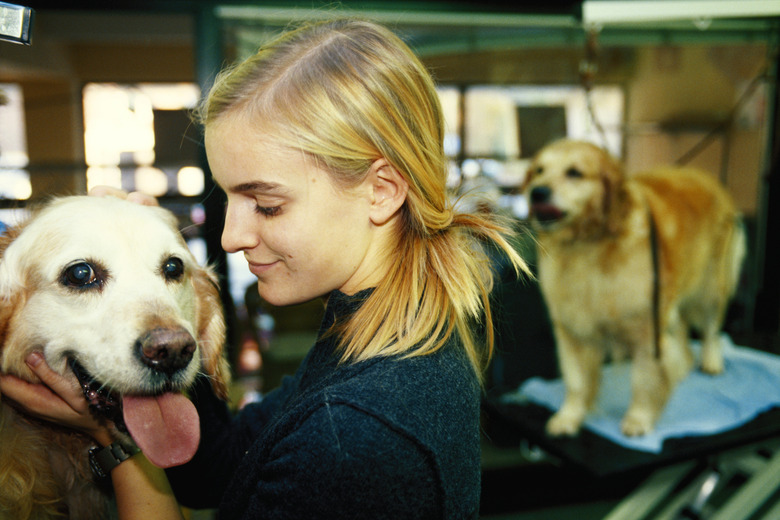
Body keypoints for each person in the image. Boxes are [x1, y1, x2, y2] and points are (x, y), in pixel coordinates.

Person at [0, 18, 527, 519]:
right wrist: (157, 276)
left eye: (268, 205)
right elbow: (221, 469)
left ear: (381, 192)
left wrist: (113, 444)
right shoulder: (382, 331)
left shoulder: (354, 434)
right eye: (229, 197)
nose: (231, 238)